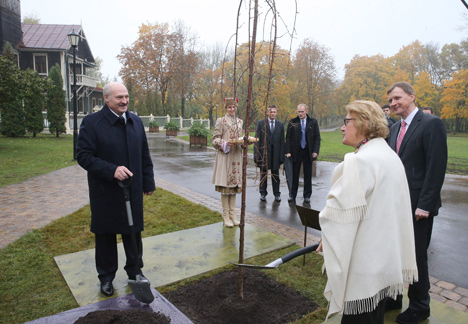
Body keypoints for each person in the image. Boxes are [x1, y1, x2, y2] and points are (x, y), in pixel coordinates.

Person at [316, 100, 418, 324]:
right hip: (383, 262)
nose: (343, 127)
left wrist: (327, 235)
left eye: (347, 121)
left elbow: (338, 217)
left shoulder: (360, 161)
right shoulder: (389, 156)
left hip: (363, 267)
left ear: (363, 124)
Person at [76, 82, 156, 297]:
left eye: (126, 96)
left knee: (133, 232)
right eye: (119, 97)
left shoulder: (135, 121)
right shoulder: (92, 123)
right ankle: (106, 277)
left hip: (133, 189)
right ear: (107, 98)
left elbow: (144, 155)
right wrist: (111, 170)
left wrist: (148, 183)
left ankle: (135, 272)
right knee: (105, 235)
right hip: (106, 191)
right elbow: (83, 155)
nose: (124, 101)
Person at [387, 82, 447, 324]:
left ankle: (420, 306)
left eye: (398, 98)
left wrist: (425, 204)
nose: (393, 103)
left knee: (416, 256)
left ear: (412, 96)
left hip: (418, 207)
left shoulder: (431, 124)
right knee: (396, 252)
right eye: (391, 100)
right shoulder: (393, 130)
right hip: (396, 205)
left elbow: (436, 167)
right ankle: (393, 297)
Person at [212, 97, 244, 227]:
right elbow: (215, 140)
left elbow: (241, 139)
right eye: (229, 107)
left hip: (236, 157)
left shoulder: (239, 121)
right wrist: (224, 143)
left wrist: (244, 142)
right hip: (225, 157)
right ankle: (225, 216)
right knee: (226, 188)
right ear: (226, 108)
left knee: (235, 188)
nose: (232, 109)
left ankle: (233, 215)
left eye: (234, 107)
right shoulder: (221, 121)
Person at [285, 103, 321, 204]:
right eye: (299, 112)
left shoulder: (313, 122)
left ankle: (307, 195)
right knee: (295, 175)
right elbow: (288, 137)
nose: (300, 113)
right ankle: (292, 194)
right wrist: (288, 151)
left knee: (307, 175)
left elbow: (317, 138)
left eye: (302, 111)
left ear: (306, 111)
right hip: (296, 152)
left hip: (308, 151)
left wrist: (315, 151)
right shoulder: (293, 122)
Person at [254, 105, 284, 202]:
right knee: (263, 175)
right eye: (271, 112)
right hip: (264, 154)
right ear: (267, 113)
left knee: (275, 176)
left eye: (274, 112)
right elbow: (257, 140)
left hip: (275, 155)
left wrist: (281, 156)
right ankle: (263, 193)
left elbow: (282, 141)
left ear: (276, 113)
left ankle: (277, 194)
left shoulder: (280, 125)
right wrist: (257, 155)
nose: (272, 114)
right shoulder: (261, 124)